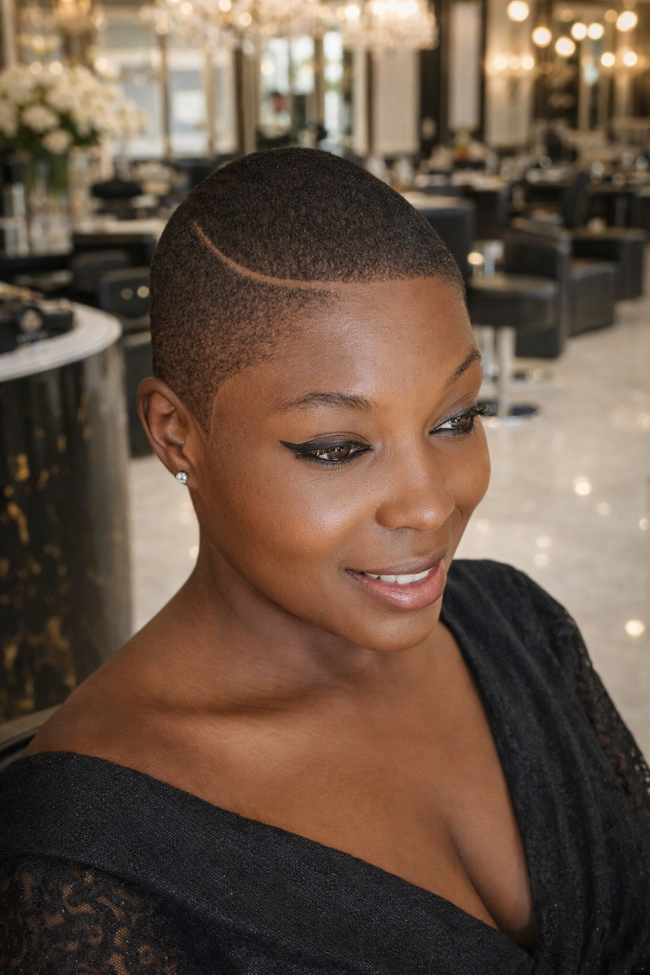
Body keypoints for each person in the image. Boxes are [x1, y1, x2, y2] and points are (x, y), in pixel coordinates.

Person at [1, 148, 649, 974]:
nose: (429, 504)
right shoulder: (79, 865)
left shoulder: (522, 622)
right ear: (175, 433)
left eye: (456, 418)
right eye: (338, 447)